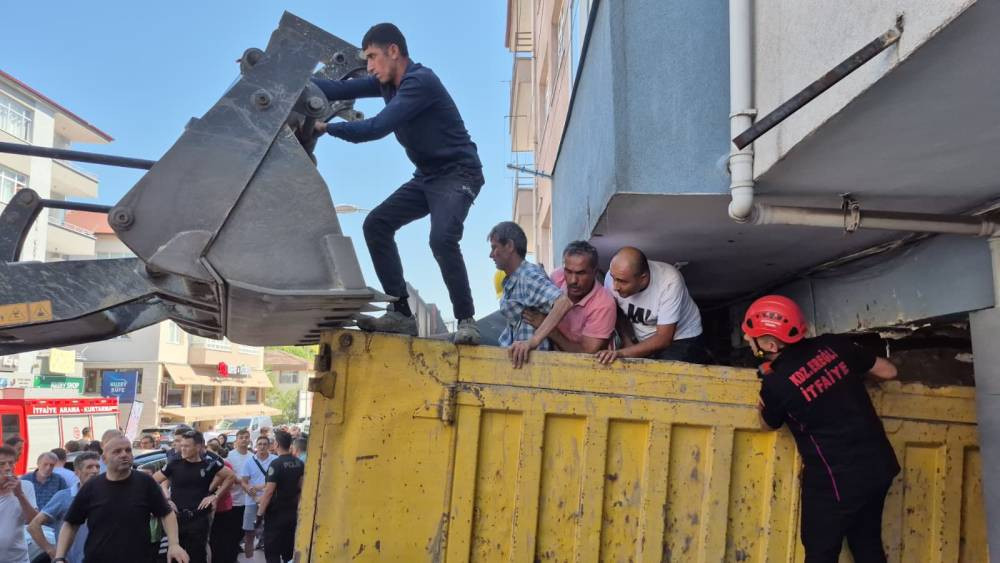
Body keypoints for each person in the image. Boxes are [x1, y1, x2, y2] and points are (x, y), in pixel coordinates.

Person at [312, 23, 484, 344]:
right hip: (427, 177)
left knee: (442, 238)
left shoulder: (420, 82)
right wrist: (285, 79)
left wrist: (327, 128)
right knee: (376, 224)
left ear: (394, 51)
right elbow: (337, 90)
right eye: (366, 61)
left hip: (459, 173)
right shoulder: (386, 84)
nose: (370, 67)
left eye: (373, 57)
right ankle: (402, 315)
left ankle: (466, 320)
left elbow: (376, 128)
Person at [742, 295, 900, 563]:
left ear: (769, 344)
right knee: (867, 544)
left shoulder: (776, 383)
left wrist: (762, 406)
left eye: (751, 336)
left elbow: (768, 424)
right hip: (878, 466)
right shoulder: (833, 345)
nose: (747, 340)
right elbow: (888, 371)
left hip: (836, 482)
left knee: (821, 553)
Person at [56, 436, 188, 563]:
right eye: (117, 451)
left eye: (128, 450)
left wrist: (174, 544)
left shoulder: (145, 482)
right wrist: (59, 557)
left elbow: (166, 513)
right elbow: (70, 524)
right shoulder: (92, 487)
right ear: (104, 458)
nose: (124, 454)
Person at [509, 241, 617, 367]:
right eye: (568, 271)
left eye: (580, 273)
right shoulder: (557, 277)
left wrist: (547, 328)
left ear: (594, 271)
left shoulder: (604, 304)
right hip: (550, 360)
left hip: (587, 369)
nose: (573, 280)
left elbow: (586, 354)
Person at [598, 247, 708, 364]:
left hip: (681, 337)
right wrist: (627, 341)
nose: (615, 286)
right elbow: (616, 311)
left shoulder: (669, 281)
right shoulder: (614, 277)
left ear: (643, 278)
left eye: (623, 281)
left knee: (663, 378)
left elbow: (663, 338)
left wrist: (623, 353)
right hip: (642, 338)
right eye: (613, 277)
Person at [154, 431, 235, 563]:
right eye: (182, 445)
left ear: (198, 447)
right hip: (176, 519)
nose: (182, 449)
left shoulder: (210, 464)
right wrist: (166, 500)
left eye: (187, 446)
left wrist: (215, 496)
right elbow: (153, 481)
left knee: (197, 557)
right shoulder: (174, 464)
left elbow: (230, 476)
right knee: (174, 557)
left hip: (199, 519)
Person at [489, 222, 563, 352]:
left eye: (495, 247)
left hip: (536, 367)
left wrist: (533, 341)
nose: (491, 255)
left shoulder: (527, 276)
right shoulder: (513, 280)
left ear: (510, 246)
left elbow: (563, 302)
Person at [27, 452, 100, 563]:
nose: (94, 471)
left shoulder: (106, 495)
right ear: (77, 472)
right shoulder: (64, 497)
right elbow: (33, 525)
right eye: (89, 467)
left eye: (97, 467)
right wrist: (51, 550)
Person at [256, 430, 304, 563]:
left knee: (272, 551)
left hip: (276, 514)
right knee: (288, 551)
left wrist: (260, 514)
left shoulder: (276, 464)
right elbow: (301, 487)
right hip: (292, 512)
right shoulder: (299, 463)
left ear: (276, 444)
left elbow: (269, 491)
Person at [239, 435, 277, 559]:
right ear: (256, 446)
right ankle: (249, 559)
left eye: (264, 444)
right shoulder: (249, 461)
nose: (262, 446)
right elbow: (244, 482)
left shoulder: (275, 460)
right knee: (249, 533)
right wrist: (250, 489)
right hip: (252, 500)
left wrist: (259, 487)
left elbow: (278, 482)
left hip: (270, 500)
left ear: (269, 446)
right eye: (259, 444)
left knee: (271, 532)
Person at [0, 444, 37, 563]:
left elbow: (33, 521)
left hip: (17, 559)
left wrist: (20, 495)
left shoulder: (25, 486)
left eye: (11, 463)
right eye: (2, 464)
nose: (7, 468)